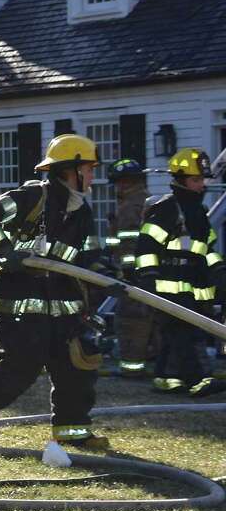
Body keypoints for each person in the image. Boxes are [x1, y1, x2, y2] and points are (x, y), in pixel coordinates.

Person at [0, 134, 111, 449]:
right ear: (70, 170)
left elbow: (89, 255)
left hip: (65, 307)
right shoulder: (32, 197)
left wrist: (109, 275)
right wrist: (4, 252)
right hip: (21, 305)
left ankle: (73, 430)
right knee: (20, 366)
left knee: (76, 366)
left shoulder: (82, 210)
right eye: (89, 169)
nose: (93, 176)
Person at [133, 148, 226, 397]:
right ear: (181, 180)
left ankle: (165, 377)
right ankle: (198, 380)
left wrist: (219, 271)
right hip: (167, 286)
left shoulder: (198, 212)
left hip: (191, 286)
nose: (201, 185)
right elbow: (146, 247)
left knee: (175, 334)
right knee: (185, 332)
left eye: (202, 179)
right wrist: (148, 278)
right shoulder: (167, 209)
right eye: (196, 180)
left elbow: (206, 249)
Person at [105, 158, 152, 376]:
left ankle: (131, 367)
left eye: (118, 182)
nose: (117, 187)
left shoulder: (131, 206)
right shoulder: (145, 201)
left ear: (125, 182)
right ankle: (149, 361)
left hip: (132, 276)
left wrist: (127, 271)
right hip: (146, 272)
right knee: (148, 318)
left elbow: (129, 242)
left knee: (129, 321)